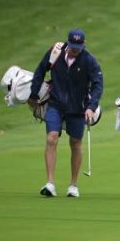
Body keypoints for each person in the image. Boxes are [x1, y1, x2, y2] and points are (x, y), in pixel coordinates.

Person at [28, 28, 103, 198]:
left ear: (83, 44)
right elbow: (40, 71)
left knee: (75, 143)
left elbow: (98, 84)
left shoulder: (89, 61)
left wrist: (91, 106)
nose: (75, 49)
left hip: (78, 108)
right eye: (72, 46)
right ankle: (50, 183)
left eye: (78, 46)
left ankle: (73, 185)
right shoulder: (55, 53)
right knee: (51, 138)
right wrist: (33, 94)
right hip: (56, 104)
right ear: (67, 43)